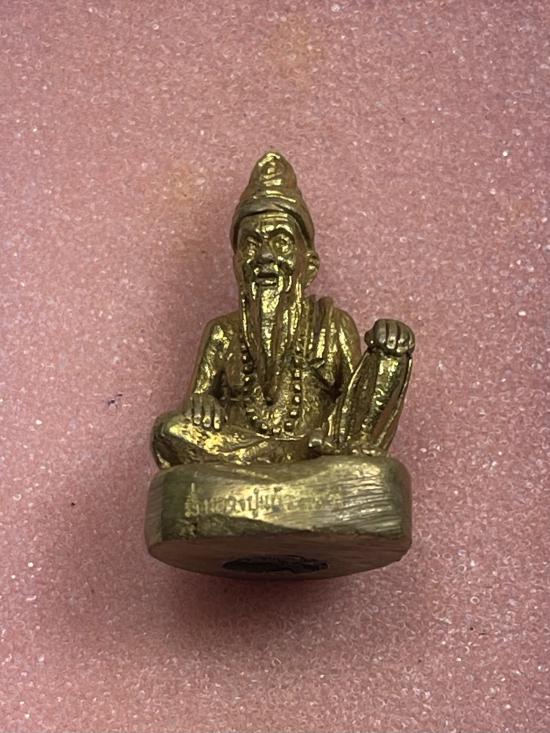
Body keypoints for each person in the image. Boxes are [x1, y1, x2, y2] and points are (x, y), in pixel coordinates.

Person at [152, 151, 414, 468]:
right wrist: (203, 405)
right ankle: (274, 458)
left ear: (309, 265)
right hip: (249, 449)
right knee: (168, 430)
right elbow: (198, 400)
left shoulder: (332, 326)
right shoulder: (222, 333)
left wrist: (389, 350)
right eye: (251, 243)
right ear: (236, 264)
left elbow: (355, 407)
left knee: (386, 375)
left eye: (280, 242)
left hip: (318, 451)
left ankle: (279, 465)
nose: (264, 256)